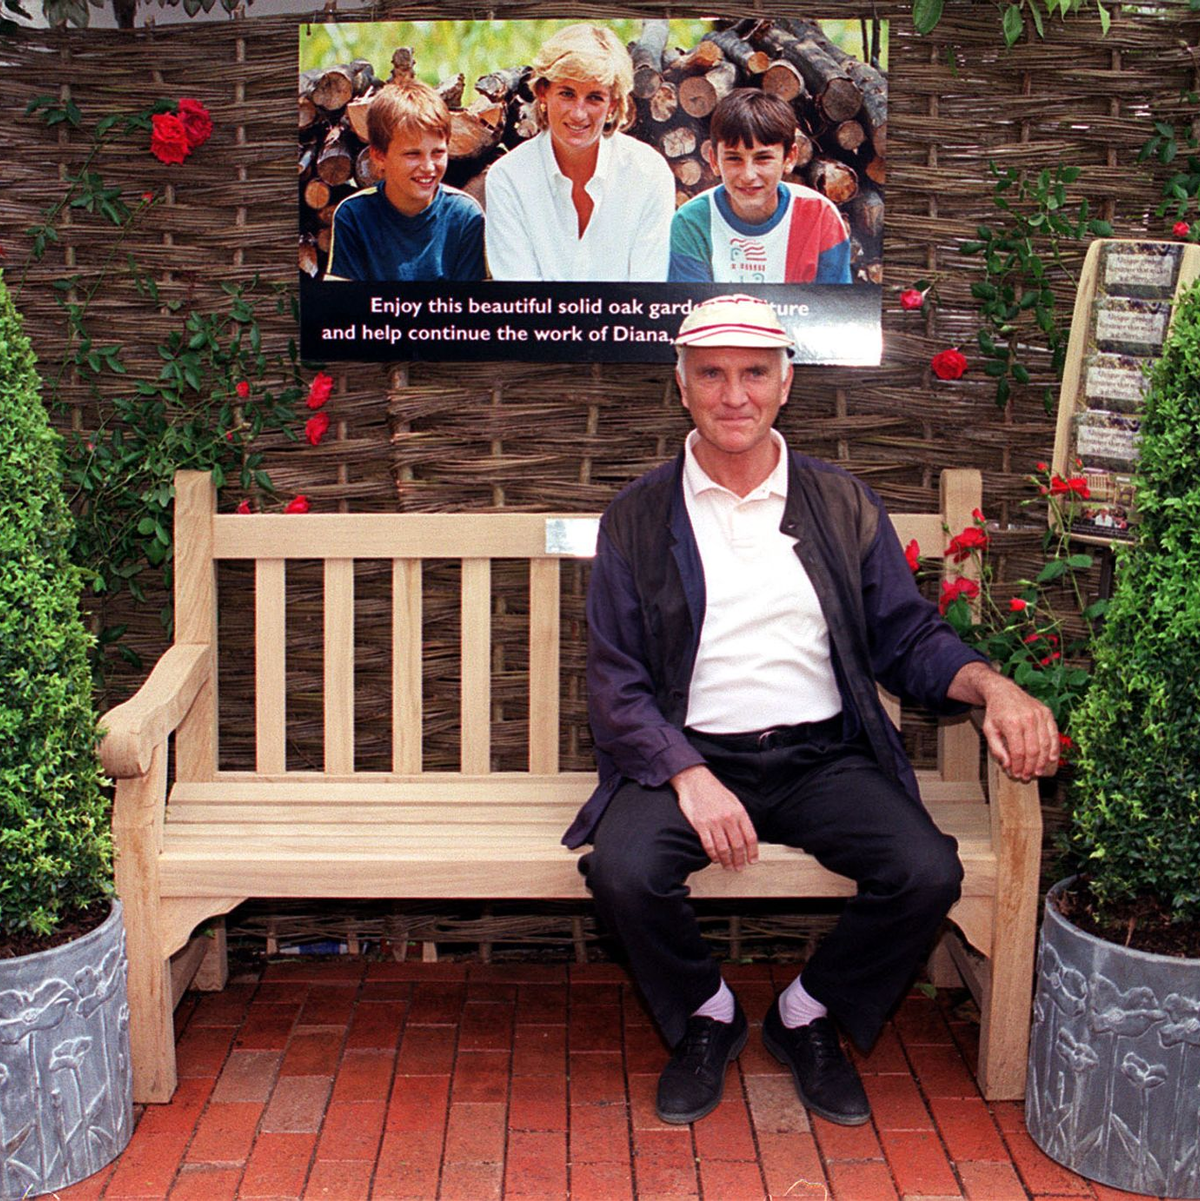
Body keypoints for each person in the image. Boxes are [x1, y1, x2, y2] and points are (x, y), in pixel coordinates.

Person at [565, 294, 1058, 1127]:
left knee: (927, 869)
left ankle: (810, 1012)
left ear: (785, 382)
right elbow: (616, 683)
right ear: (680, 385)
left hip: (821, 758)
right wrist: (687, 772)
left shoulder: (839, 503)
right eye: (711, 374)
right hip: (692, 758)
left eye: (754, 373)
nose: (734, 395)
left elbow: (906, 636)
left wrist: (992, 685)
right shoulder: (639, 517)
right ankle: (705, 1015)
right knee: (621, 869)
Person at [484, 23, 676, 281]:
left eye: (595, 97)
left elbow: (646, 294)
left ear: (614, 104)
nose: (578, 113)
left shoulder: (649, 173)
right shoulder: (508, 178)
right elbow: (521, 300)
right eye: (567, 93)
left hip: (628, 322)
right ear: (543, 92)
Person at [668, 90, 852, 285]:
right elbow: (692, 310)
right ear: (713, 160)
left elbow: (834, 307)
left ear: (789, 158)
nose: (748, 175)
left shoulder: (820, 215)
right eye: (733, 159)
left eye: (763, 158)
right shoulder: (692, 221)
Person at [326, 82, 485, 283]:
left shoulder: (464, 216)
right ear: (379, 156)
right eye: (412, 154)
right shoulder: (354, 216)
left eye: (438, 152)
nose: (428, 167)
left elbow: (473, 306)